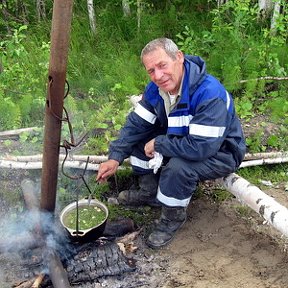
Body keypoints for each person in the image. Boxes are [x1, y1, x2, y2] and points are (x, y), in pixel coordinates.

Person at [96, 38, 246, 249]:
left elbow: (202, 147)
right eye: (151, 71)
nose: (158, 76)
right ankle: (151, 193)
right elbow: (136, 125)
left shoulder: (209, 93)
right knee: (141, 138)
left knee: (179, 167)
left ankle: (171, 219)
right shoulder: (156, 89)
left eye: (162, 65)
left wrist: (160, 143)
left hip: (220, 152)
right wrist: (115, 158)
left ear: (179, 57)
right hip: (184, 139)